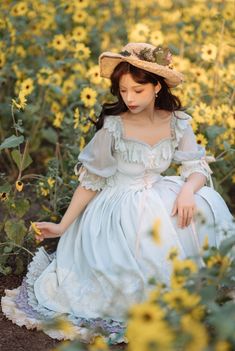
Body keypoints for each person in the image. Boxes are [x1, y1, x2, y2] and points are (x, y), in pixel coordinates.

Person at [1, 42, 234, 344]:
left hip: (161, 194)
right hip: (118, 207)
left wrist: (188, 190)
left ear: (157, 87)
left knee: (202, 205)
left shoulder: (177, 122)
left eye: (138, 90)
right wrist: (62, 226)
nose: (129, 98)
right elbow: (91, 182)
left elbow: (196, 166)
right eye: (123, 90)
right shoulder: (114, 127)